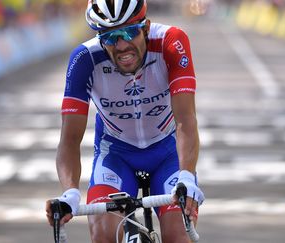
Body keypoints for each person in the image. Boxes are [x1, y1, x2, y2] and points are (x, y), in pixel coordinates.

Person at [45, 0, 204, 242]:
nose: (121, 46)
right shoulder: (84, 59)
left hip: (168, 152)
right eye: (110, 37)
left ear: (146, 28)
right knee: (103, 235)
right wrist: (70, 192)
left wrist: (187, 176)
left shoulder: (172, 42)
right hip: (116, 154)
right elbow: (69, 139)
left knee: (177, 235)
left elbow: (185, 119)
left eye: (129, 32)